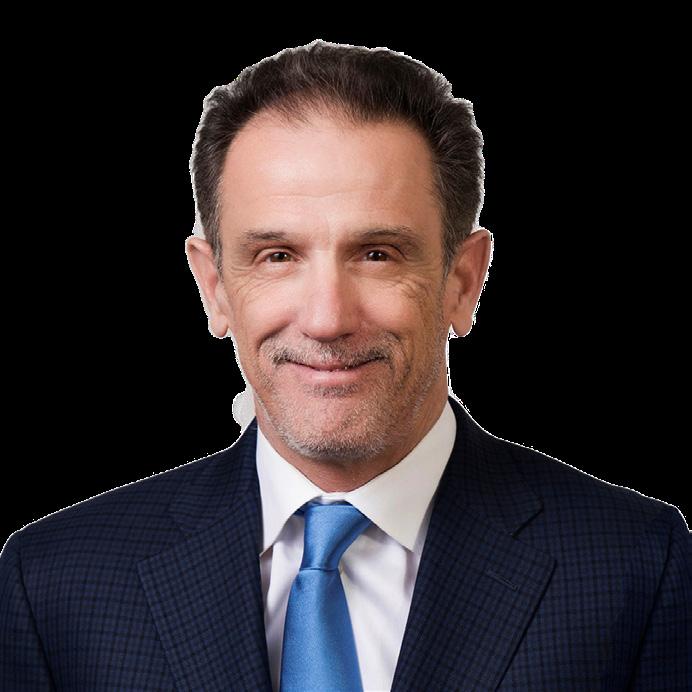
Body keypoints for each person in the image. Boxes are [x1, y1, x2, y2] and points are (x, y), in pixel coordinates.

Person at [1, 39, 689, 691]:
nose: (327, 318)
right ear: (214, 288)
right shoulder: (55, 582)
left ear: (463, 282)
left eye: (377, 254)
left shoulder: (638, 568)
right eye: (277, 256)